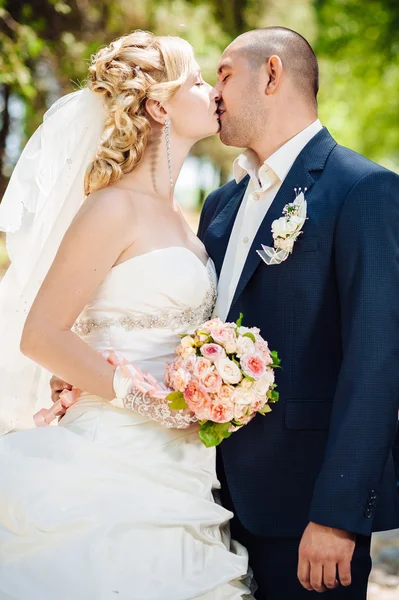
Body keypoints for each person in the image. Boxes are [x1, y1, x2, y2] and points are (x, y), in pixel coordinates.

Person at [0, 31, 254, 599]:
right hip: (113, 454)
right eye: (196, 81)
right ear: (160, 106)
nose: (212, 91)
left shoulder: (185, 220)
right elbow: (39, 334)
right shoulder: (112, 205)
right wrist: (152, 402)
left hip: (186, 466)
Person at [197, 26, 399, 599]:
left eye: (225, 74)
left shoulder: (363, 190)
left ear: (272, 74)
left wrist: (338, 515)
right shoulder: (221, 204)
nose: (215, 93)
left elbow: (378, 361)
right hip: (205, 504)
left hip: (306, 512)